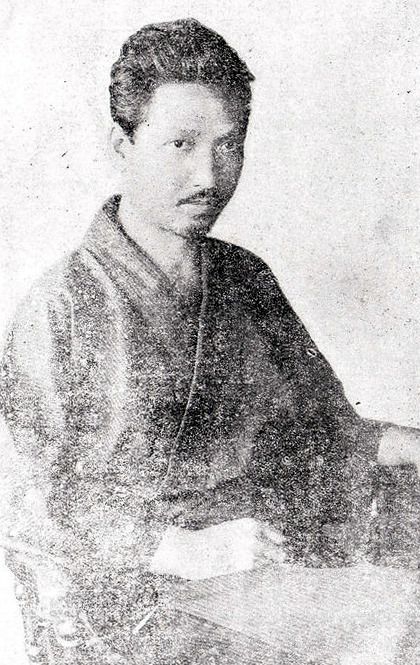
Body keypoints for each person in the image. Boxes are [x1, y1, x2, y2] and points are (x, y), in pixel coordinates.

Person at [1, 17, 420, 665]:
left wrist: (406, 444)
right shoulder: (62, 305)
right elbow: (25, 503)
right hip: (134, 605)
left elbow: (325, 431)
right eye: (181, 144)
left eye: (229, 146)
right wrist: (178, 547)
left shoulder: (243, 277)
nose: (208, 173)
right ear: (122, 145)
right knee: (398, 617)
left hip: (261, 566)